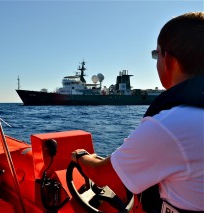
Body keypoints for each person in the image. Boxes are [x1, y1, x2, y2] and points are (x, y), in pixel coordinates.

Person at [71, 12, 204, 212]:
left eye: (156, 54)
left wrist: (80, 156)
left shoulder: (170, 125)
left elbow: (101, 176)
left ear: (168, 60)